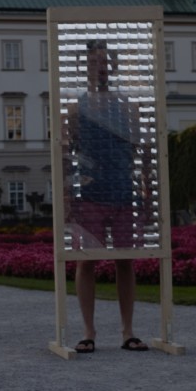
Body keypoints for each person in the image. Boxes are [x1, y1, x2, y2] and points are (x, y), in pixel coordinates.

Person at [65, 39, 150, 354]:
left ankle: (128, 331)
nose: (100, 68)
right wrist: (67, 197)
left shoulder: (127, 107)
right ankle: (89, 331)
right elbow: (67, 155)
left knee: (125, 261)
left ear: (112, 67)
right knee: (86, 262)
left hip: (124, 193)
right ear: (85, 67)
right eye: (94, 62)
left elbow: (142, 151)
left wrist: (148, 192)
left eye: (104, 62)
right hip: (89, 196)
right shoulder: (76, 109)